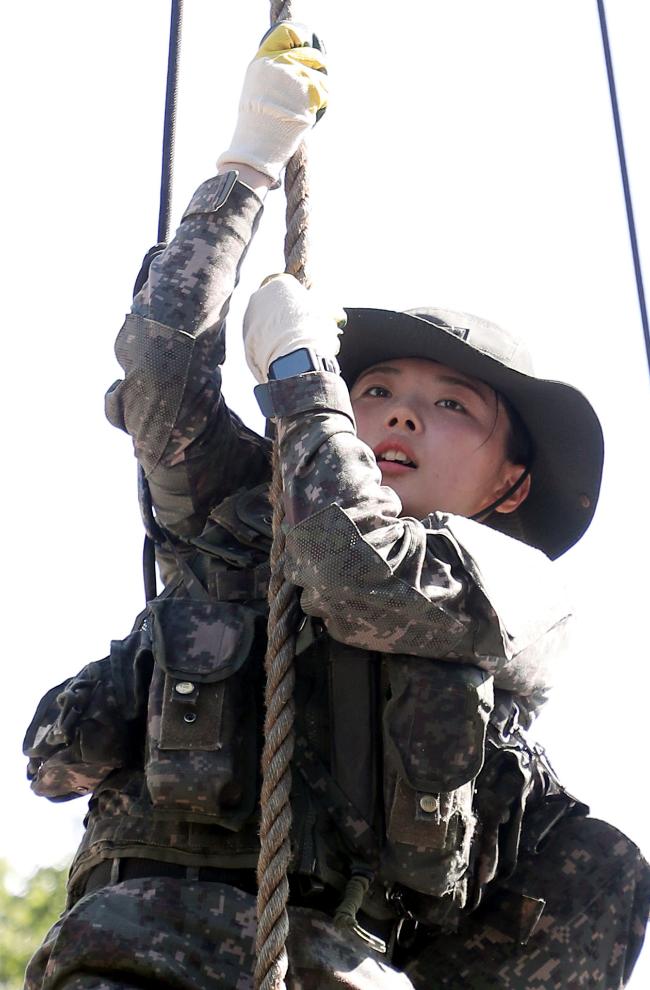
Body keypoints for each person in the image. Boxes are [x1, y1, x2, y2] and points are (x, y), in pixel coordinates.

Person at [23, 22, 648, 990]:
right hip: (131, 954)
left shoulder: (510, 587)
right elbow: (159, 376)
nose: (400, 411)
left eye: (451, 407)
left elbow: (365, 578)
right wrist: (247, 162)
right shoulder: (249, 510)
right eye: (379, 387)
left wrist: (305, 377)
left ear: (509, 485)